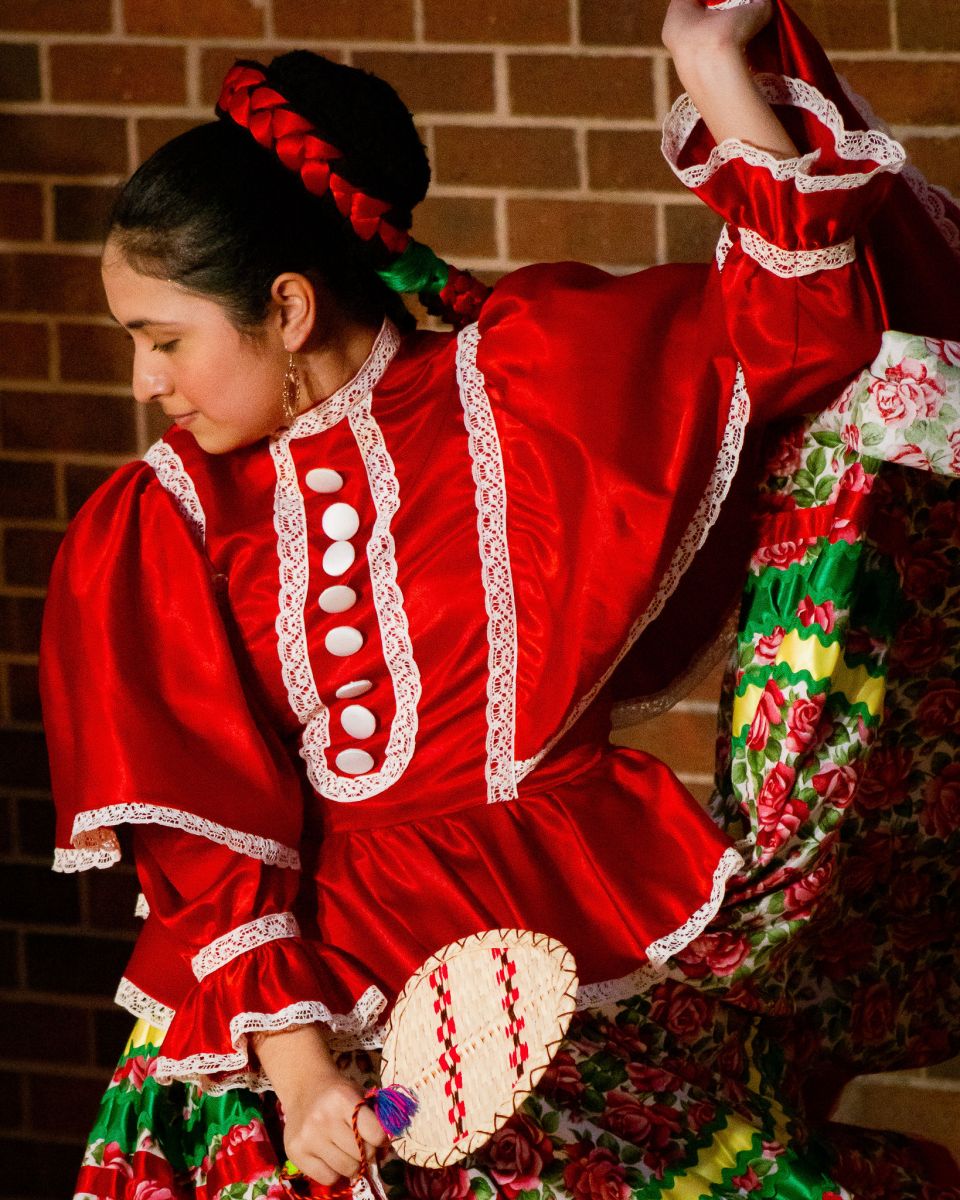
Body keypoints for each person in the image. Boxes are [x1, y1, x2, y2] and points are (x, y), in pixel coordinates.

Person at [39, 1, 958, 1197]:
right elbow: (202, 836)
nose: (143, 380)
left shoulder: (526, 384)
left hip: (560, 946)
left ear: (291, 308)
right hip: (297, 1017)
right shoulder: (165, 520)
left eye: (163, 339)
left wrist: (710, 69)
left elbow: (800, 331)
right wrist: (305, 1077)